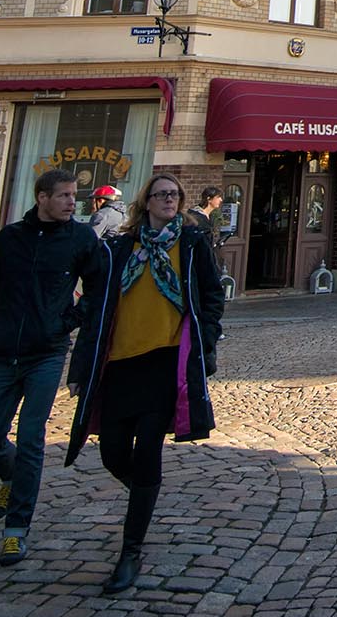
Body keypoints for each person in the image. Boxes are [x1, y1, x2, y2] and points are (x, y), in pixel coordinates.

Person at [66, 175, 226, 595]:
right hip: (119, 362)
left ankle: (130, 550)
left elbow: (211, 295)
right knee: (113, 451)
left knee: (149, 447)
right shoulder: (121, 248)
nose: (169, 200)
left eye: (174, 195)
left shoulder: (191, 245)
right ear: (147, 203)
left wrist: (205, 339)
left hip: (165, 362)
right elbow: (96, 299)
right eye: (162, 194)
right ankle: (145, 494)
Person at [0, 168, 100, 565]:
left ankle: (16, 528)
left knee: (31, 439)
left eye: (73, 196)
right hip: (4, 352)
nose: (70, 203)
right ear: (41, 197)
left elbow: (97, 290)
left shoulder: (80, 238)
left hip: (47, 352)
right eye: (62, 196)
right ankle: (11, 479)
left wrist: (65, 323)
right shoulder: (11, 238)